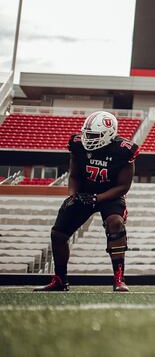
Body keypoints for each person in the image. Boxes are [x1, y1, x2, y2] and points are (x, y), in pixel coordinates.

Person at [35, 111, 139, 292]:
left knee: (116, 223)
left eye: (94, 135)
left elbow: (123, 186)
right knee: (58, 234)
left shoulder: (123, 150)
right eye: (86, 134)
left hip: (110, 195)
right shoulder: (78, 145)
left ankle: (119, 280)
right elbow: (74, 175)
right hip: (84, 192)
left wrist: (97, 198)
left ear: (109, 134)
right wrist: (73, 195)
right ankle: (60, 280)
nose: (88, 139)